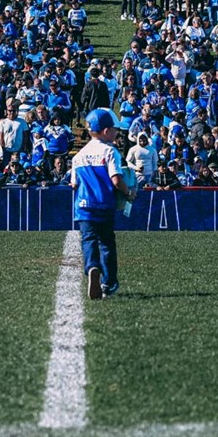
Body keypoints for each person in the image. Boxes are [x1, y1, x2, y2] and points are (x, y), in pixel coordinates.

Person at [71, 108, 134, 299]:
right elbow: (116, 179)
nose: (117, 133)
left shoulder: (78, 155)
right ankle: (109, 282)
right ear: (106, 131)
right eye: (115, 130)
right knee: (106, 242)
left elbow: (74, 184)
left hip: (83, 206)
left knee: (88, 240)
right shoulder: (109, 151)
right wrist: (128, 192)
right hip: (103, 204)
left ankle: (92, 267)